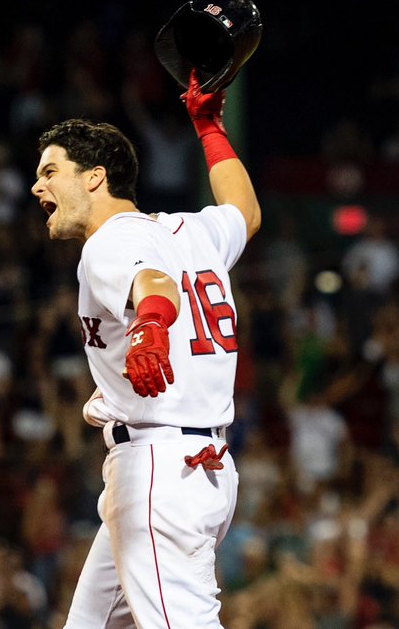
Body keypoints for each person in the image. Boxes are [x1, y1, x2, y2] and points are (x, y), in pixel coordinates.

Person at [31, 70, 260, 628]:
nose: (37, 187)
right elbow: (246, 212)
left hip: (159, 469)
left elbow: (152, 285)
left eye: (50, 171)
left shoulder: (109, 241)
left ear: (95, 178)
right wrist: (209, 129)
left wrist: (150, 328)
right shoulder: (192, 230)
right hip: (197, 466)